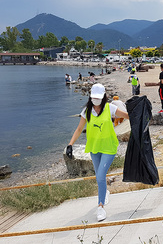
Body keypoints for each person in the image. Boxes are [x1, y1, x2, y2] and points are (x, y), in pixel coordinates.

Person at [66, 83, 129, 222]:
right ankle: (104, 191)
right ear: (90, 97)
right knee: (99, 177)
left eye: (98, 97)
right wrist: (70, 144)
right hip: (94, 148)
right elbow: (78, 129)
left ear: (103, 97)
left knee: (100, 175)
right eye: (93, 97)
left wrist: (140, 113)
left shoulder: (109, 108)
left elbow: (127, 116)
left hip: (109, 147)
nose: (95, 100)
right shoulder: (86, 111)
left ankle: (100, 207)